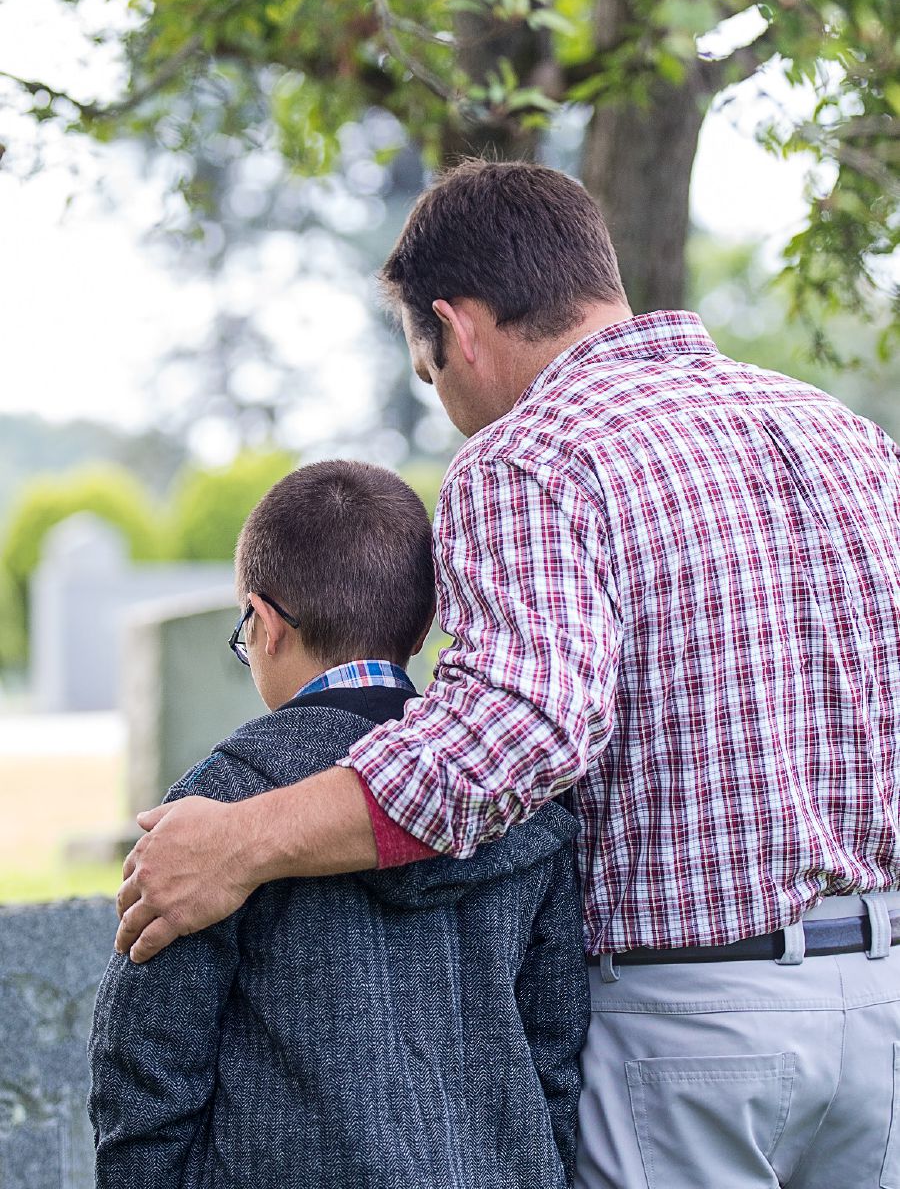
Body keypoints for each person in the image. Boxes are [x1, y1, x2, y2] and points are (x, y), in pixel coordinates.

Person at [115, 161, 900, 1187]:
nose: (442, 400)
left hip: (691, 1033)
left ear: (458, 324)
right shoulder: (843, 436)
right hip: (880, 1008)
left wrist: (239, 842)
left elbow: (521, 727)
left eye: (427, 369)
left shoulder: (531, 455)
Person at [89, 459, 589, 1189]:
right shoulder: (517, 796)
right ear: (422, 627)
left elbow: (143, 1068)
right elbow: (555, 1048)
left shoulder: (217, 813)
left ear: (262, 624)